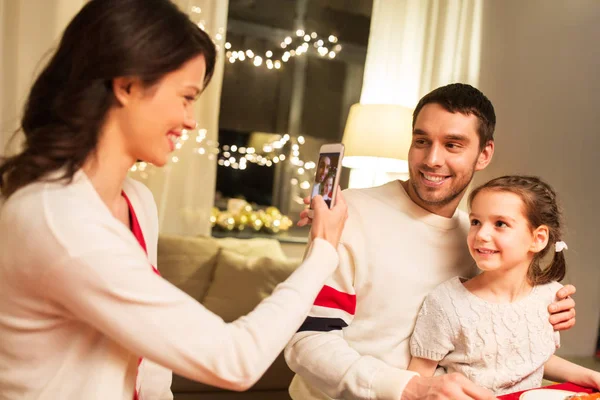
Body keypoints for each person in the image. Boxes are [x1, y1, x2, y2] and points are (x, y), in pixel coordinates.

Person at [0, 1, 348, 399]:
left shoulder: (136, 200)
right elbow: (235, 360)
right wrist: (323, 250)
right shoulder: (57, 219)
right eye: (185, 97)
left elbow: (148, 365)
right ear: (126, 84)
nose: (191, 120)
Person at [285, 83, 577, 400]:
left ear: (485, 154)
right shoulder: (348, 214)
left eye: (453, 145)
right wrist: (408, 387)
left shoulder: (477, 239)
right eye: (422, 141)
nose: (432, 159)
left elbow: (490, 334)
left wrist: (542, 304)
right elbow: (307, 339)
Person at [408, 175, 600, 395]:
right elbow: (418, 381)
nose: (481, 234)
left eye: (500, 224)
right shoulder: (446, 303)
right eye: (475, 222)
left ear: (537, 239)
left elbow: (531, 361)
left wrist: (593, 376)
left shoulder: (552, 297)